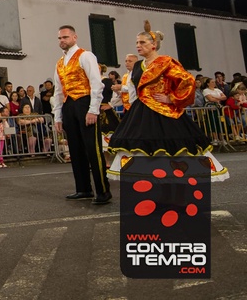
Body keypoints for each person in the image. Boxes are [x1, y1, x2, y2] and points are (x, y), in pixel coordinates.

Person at [107, 21, 229, 181]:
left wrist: (171, 97)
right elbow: (133, 89)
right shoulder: (138, 66)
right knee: (140, 144)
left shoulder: (166, 62)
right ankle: (150, 182)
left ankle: (175, 180)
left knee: (172, 145)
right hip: (141, 110)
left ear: (154, 44)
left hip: (164, 111)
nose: (138, 45)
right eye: (137, 42)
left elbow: (187, 81)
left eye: (142, 42)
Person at [52, 25, 111, 204]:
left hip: (85, 102)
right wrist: (58, 116)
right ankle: (83, 188)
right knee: (76, 150)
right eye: (60, 38)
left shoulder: (85, 55)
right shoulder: (60, 63)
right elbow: (58, 91)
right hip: (69, 105)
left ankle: (103, 191)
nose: (62, 40)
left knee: (92, 149)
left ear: (75, 37)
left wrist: (93, 109)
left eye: (65, 37)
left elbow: (96, 83)